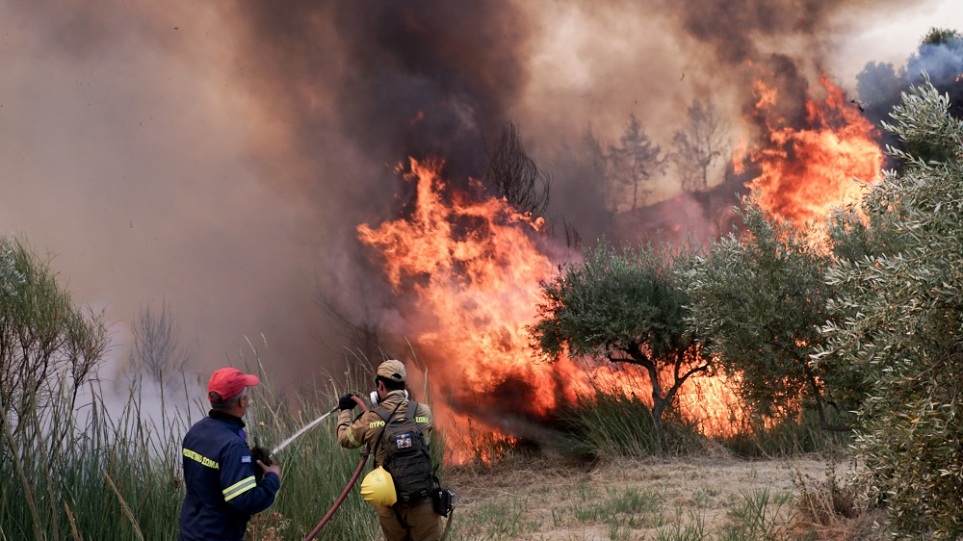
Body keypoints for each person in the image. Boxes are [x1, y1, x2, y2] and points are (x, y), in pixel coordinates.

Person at [337, 359, 442, 541]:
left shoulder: (371, 419)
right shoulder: (424, 412)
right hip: (424, 501)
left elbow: (345, 440)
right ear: (404, 387)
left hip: (390, 507)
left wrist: (345, 411)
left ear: (380, 385)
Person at [178, 367, 282, 541]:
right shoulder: (233, 446)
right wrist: (272, 479)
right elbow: (244, 501)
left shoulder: (196, 431)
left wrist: (248, 465)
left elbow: (210, 478)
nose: (248, 401)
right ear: (241, 402)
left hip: (190, 533)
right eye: (247, 397)